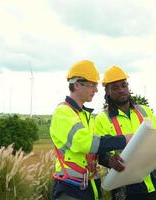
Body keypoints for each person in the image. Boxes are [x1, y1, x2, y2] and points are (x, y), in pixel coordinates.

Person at [50, 60, 132, 200]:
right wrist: (124, 139)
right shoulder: (63, 113)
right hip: (70, 190)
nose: (96, 90)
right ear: (77, 85)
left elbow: (96, 150)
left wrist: (108, 160)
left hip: (89, 187)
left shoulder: (86, 116)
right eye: (92, 85)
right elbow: (85, 143)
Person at [94, 66, 156, 200]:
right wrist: (109, 160)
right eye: (115, 88)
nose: (121, 90)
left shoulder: (145, 111)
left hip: (151, 183)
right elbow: (99, 152)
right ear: (107, 91)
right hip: (123, 188)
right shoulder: (102, 118)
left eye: (124, 85)